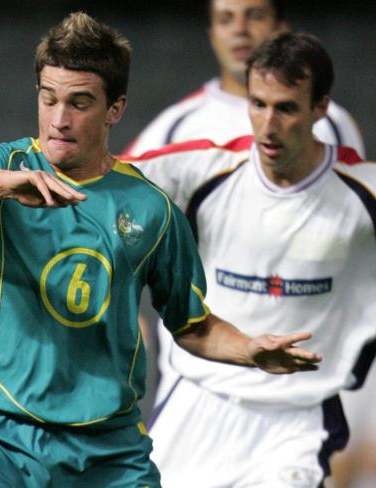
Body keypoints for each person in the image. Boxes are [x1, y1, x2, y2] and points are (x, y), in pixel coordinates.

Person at [0, 13, 321, 488]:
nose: (59, 119)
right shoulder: (5, 168)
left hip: (105, 449)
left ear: (115, 108)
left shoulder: (151, 209)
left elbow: (192, 325)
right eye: (49, 99)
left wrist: (248, 349)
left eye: (80, 103)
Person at [130, 32, 376, 487]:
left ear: (321, 108)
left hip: (296, 420)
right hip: (198, 404)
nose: (267, 125)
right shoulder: (202, 171)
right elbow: (99, 185)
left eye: (285, 108)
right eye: (258, 104)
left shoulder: (361, 193)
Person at [123, 0, 365, 158]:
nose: (239, 29)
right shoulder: (175, 128)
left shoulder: (331, 121)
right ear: (212, 34)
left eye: (255, 16)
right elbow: (114, 196)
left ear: (281, 28)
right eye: (226, 19)